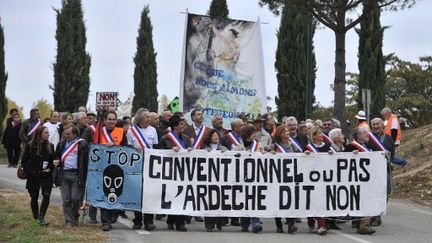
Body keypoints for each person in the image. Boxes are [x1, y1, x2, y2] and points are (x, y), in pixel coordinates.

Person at [159, 114, 192, 232]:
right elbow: (159, 154)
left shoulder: (187, 139)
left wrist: (190, 151)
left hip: (184, 172)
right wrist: (170, 151)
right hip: (170, 172)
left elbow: (191, 155)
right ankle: (171, 220)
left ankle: (180, 223)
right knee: (173, 196)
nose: (184, 126)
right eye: (181, 124)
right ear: (175, 125)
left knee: (181, 197)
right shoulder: (165, 139)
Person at [126, 108, 158, 231]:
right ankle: (137, 220)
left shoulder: (153, 130)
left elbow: (155, 147)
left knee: (149, 194)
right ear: (140, 118)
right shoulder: (131, 131)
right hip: (136, 165)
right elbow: (128, 148)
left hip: (150, 165)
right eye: (147, 117)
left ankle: (149, 220)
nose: (149, 119)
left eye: (150, 117)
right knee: (137, 194)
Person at [97, 111, 128, 231]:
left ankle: (113, 214)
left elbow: (125, 148)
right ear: (105, 120)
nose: (111, 121)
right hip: (102, 168)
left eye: (114, 119)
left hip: (117, 168)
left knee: (117, 192)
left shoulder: (121, 132)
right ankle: (105, 221)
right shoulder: (99, 132)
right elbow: (93, 147)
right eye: (109, 119)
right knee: (104, 194)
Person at [54, 125, 89, 227]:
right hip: (64, 174)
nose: (66, 136)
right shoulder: (61, 144)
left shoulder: (82, 144)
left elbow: (86, 161)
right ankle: (69, 221)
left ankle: (75, 216)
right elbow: (57, 155)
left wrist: (85, 175)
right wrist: (56, 160)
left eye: (69, 134)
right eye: (65, 133)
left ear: (75, 134)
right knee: (66, 200)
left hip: (77, 174)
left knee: (75, 199)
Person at [345, 127, 377, 235]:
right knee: (358, 200)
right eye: (364, 133)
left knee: (366, 200)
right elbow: (342, 161)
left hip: (368, 179)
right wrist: (351, 155)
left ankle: (363, 224)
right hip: (355, 179)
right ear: (358, 136)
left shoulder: (370, 145)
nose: (367, 134)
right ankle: (361, 223)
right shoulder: (350, 147)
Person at [21, 126, 55, 226]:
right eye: (46, 133)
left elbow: (54, 160)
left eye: (48, 133)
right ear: (39, 134)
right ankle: (36, 217)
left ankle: (41, 217)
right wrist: (31, 171)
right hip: (33, 175)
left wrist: (50, 168)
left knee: (46, 195)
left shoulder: (50, 146)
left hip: (46, 175)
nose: (48, 134)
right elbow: (24, 161)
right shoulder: (30, 145)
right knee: (34, 197)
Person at [304, 126, 335, 235]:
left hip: (324, 179)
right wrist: (305, 155)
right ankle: (311, 222)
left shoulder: (326, 146)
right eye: (320, 133)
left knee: (321, 201)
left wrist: (331, 154)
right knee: (311, 201)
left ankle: (321, 224)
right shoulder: (308, 147)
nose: (322, 135)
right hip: (311, 179)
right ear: (314, 136)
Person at [235, 125, 263, 233]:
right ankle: (244, 223)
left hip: (255, 176)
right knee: (244, 200)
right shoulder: (239, 147)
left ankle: (255, 222)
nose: (255, 135)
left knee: (254, 199)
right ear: (247, 136)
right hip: (242, 177)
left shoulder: (258, 145)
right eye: (253, 134)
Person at [270, 125, 297, 234]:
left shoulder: (293, 146)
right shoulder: (274, 146)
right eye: (285, 131)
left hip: (289, 177)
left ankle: (291, 224)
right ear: (280, 134)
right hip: (277, 177)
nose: (288, 132)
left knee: (289, 201)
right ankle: (279, 225)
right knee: (278, 201)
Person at [202, 129, 227, 232]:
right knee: (208, 201)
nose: (216, 137)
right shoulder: (204, 148)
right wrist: (204, 153)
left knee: (220, 201)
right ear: (209, 138)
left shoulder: (224, 148)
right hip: (208, 178)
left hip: (221, 178)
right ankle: (209, 224)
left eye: (217, 135)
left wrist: (226, 153)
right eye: (213, 136)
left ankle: (219, 222)